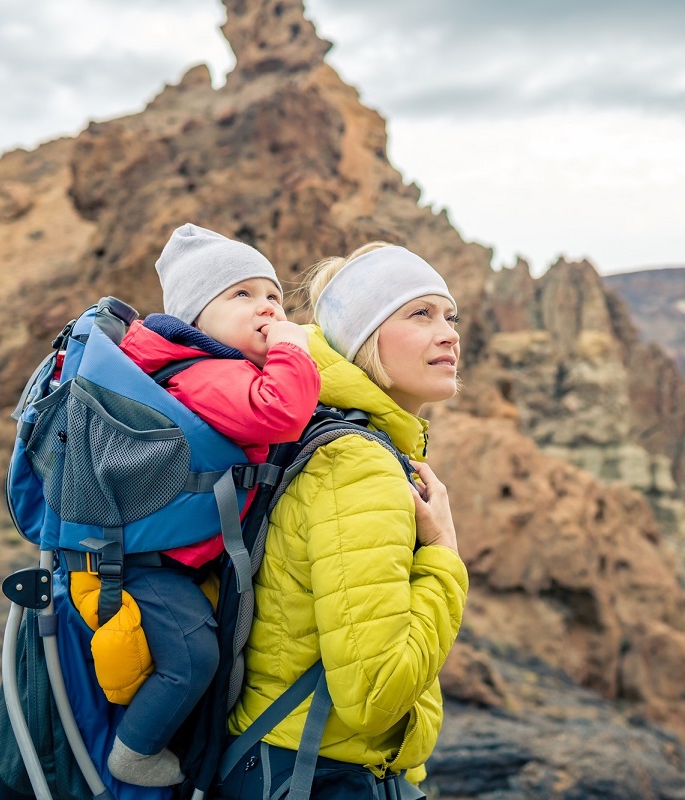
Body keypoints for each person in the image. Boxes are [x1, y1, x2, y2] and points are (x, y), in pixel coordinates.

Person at [217, 242, 469, 798]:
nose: (449, 332)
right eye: (419, 313)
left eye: (450, 315)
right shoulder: (357, 464)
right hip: (319, 776)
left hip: (287, 765)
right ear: (365, 337)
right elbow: (374, 693)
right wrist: (445, 558)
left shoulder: (326, 434)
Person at [101, 223, 321, 787]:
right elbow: (279, 414)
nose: (267, 307)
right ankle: (133, 751)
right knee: (194, 657)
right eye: (241, 295)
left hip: (173, 556)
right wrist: (294, 352)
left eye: (273, 294)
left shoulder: (214, 367)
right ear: (197, 317)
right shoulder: (203, 373)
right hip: (149, 567)